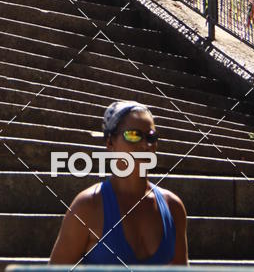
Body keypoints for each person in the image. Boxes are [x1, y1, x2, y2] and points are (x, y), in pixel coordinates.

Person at [49, 100, 188, 266]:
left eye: (151, 137)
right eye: (133, 135)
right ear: (110, 142)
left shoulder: (173, 207)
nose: (145, 145)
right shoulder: (87, 206)